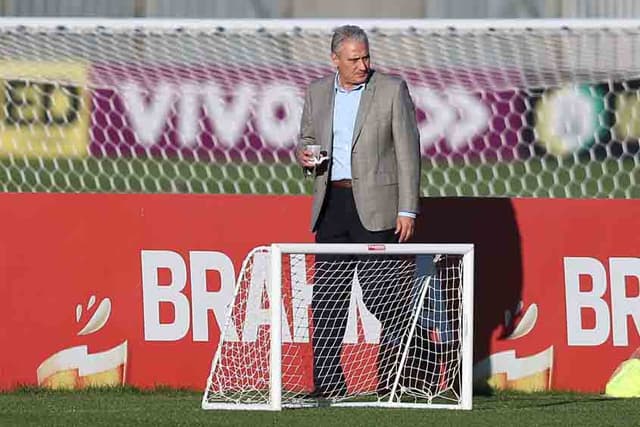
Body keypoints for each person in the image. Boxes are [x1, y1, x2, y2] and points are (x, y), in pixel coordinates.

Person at [295, 25, 421, 398]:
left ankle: (401, 374)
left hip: (377, 207)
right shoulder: (317, 92)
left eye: (366, 56)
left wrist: (407, 210)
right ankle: (328, 385)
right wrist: (305, 156)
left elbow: (408, 153)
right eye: (354, 59)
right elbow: (306, 139)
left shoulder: (392, 90)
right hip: (332, 204)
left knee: (380, 294)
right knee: (327, 299)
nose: (363, 65)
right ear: (335, 60)